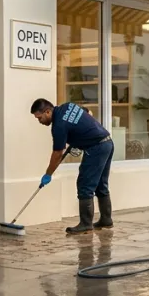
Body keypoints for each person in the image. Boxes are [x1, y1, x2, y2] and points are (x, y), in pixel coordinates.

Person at [31, 98, 114, 234]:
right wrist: (78, 134)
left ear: (47, 111)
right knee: (100, 184)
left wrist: (48, 174)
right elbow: (88, 112)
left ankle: (86, 224)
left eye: (39, 118)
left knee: (85, 185)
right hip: (107, 143)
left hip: (96, 148)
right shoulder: (68, 106)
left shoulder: (58, 126)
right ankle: (106, 220)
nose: (39, 122)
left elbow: (57, 153)